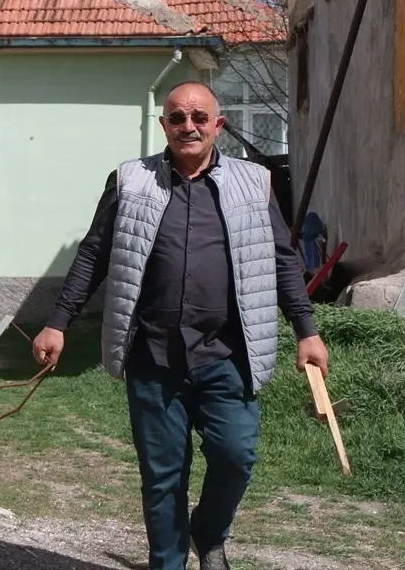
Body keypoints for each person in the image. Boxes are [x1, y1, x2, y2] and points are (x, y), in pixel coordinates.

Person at [31, 80, 328, 570]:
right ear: (164, 125)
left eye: (198, 118)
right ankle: (166, 562)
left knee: (235, 457)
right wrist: (58, 322)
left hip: (229, 355)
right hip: (153, 356)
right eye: (176, 118)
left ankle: (208, 533)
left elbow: (281, 259)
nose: (187, 126)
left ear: (218, 125)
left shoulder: (254, 182)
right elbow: (93, 254)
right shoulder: (130, 180)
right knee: (163, 476)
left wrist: (307, 330)